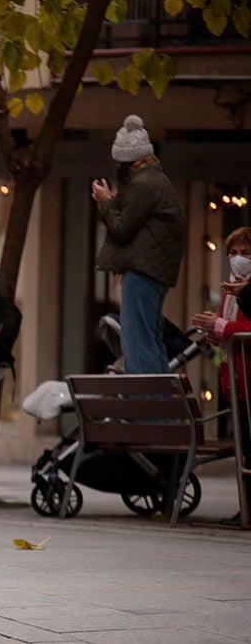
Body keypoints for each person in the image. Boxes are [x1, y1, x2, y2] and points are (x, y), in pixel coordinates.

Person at [91, 115, 185, 375]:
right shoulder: (158, 180)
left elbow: (121, 229)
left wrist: (106, 200)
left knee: (137, 344)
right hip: (155, 271)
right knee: (151, 340)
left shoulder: (142, 185)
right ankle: (160, 412)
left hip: (142, 271)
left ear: (127, 161)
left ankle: (149, 408)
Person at [191, 227, 251, 526]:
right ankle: (247, 508)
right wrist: (212, 329)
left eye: (245, 254)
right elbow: (228, 330)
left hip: (248, 378)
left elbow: (243, 330)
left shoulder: (246, 291)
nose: (237, 259)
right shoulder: (230, 290)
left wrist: (220, 327)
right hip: (236, 380)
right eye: (233, 253)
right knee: (245, 450)